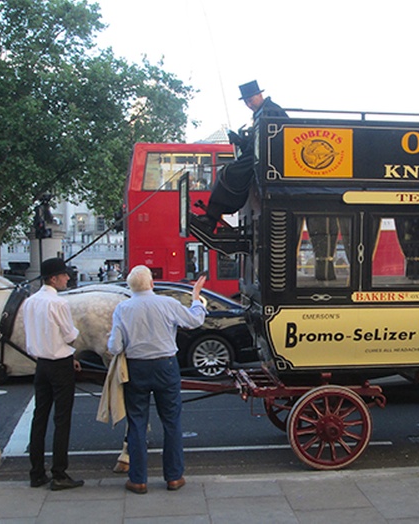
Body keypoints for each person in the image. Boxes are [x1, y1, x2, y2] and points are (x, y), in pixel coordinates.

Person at [107, 266, 207, 494]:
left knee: (137, 422)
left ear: (130, 287)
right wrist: (196, 299)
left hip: (136, 368)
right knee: (171, 422)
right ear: (152, 283)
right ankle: (173, 477)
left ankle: (138, 480)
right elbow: (194, 321)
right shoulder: (167, 304)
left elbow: (115, 346)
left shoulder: (122, 309)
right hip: (166, 366)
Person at [190, 80, 288, 239]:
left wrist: (247, 146)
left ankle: (212, 217)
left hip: (266, 158)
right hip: (257, 155)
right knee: (226, 171)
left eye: (251, 100)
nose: (249, 104)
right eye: (247, 101)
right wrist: (240, 141)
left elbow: (271, 141)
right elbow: (255, 142)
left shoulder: (271, 111)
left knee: (229, 173)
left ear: (260, 95)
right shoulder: (261, 112)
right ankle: (212, 215)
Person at [23, 257, 84, 491]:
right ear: (53, 278)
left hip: (41, 364)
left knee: (39, 417)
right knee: (62, 419)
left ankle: (36, 472)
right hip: (60, 364)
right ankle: (59, 472)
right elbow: (70, 335)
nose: (68, 278)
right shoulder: (58, 304)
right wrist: (71, 351)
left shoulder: (30, 301)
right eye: (64, 275)